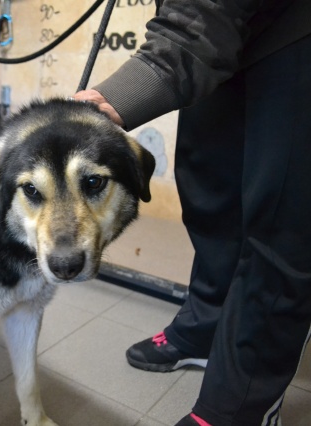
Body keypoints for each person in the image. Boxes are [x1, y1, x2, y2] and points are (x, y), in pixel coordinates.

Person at [74, 0, 310, 425]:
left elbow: (200, 19)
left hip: (296, 26)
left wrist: (118, 97)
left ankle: (240, 403)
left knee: (280, 224)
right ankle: (206, 325)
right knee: (210, 193)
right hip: (229, 33)